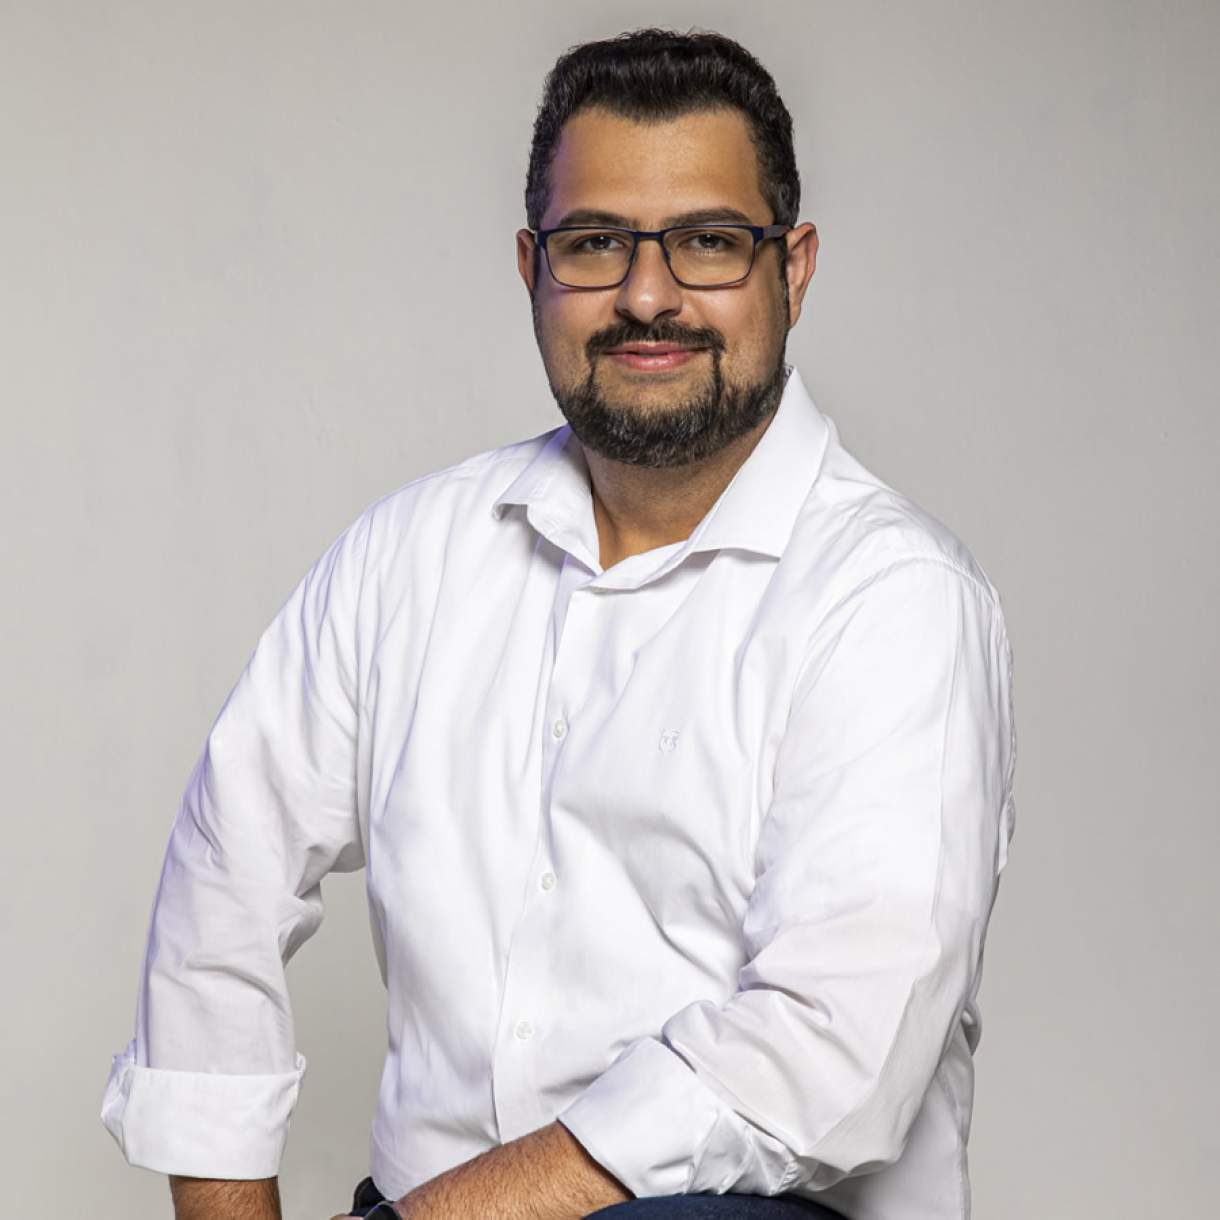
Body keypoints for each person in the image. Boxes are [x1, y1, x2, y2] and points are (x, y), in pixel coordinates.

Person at [100, 27, 1016, 1220]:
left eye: (705, 241)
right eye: (595, 244)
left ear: (790, 270)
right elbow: (223, 876)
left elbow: (825, 1052)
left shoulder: (892, 598)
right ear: (532, 267)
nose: (646, 295)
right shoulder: (408, 554)